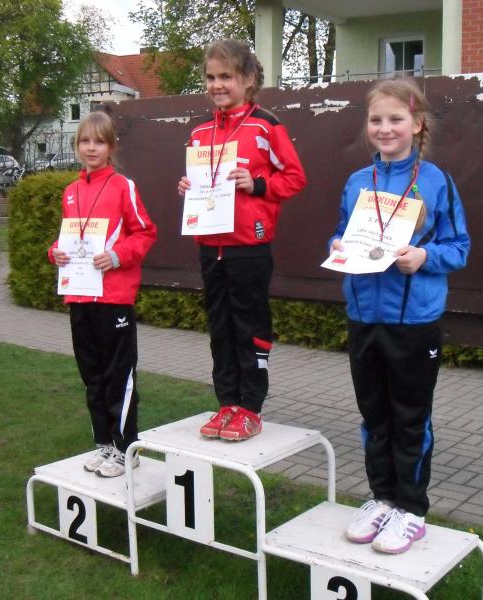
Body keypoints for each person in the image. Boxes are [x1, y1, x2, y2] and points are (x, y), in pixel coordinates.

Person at [329, 79, 470, 554]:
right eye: (376, 120)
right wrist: (338, 245)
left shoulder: (436, 181)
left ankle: (411, 508)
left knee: (410, 418)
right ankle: (382, 498)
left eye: (396, 119)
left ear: (417, 123)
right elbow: (341, 233)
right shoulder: (357, 182)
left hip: (414, 322)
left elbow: (459, 247)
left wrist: (425, 257)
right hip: (364, 316)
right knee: (374, 415)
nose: (385, 128)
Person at [177, 39, 306, 442]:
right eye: (210, 77)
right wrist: (188, 186)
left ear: (248, 79)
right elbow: (204, 179)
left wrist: (258, 184)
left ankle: (251, 406)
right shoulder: (199, 131)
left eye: (226, 76)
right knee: (220, 328)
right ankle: (227, 403)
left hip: (249, 244)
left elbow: (295, 177)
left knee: (249, 326)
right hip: (209, 244)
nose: (217, 85)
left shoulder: (266, 125)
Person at [48, 111, 157, 478]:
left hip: (113, 299)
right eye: (84, 141)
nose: (91, 148)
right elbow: (68, 240)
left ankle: (127, 449)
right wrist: (55, 252)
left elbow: (145, 233)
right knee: (92, 376)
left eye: (99, 141)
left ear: (111, 147)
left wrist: (116, 256)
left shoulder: (123, 186)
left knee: (118, 376)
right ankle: (105, 444)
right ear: (76, 145)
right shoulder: (70, 192)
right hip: (79, 297)